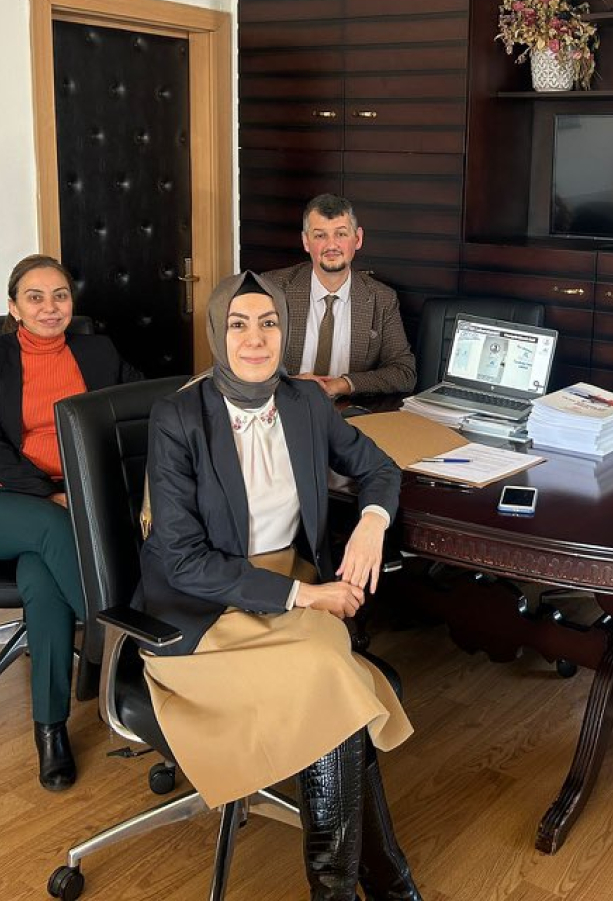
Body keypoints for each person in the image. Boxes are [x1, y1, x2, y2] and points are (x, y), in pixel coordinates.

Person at [138, 271, 421, 901]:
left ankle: (360, 887)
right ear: (218, 332)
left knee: (331, 685)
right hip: (205, 611)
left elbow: (378, 467)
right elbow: (182, 561)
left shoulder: (305, 402)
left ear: (284, 331)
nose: (256, 338)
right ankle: (385, 884)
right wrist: (308, 596)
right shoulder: (179, 416)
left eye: (268, 323)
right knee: (336, 680)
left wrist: (372, 524)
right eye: (239, 324)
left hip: (290, 593)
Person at [0, 254, 139, 791]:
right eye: (35, 297)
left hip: (70, 505)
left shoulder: (98, 351)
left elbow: (143, 406)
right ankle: (123, 656)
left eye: (60, 295)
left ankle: (50, 730)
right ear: (14, 307)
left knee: (41, 580)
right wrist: (53, 495)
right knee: (51, 529)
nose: (50, 307)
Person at [264, 193, 417, 397]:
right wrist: (290, 384)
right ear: (306, 241)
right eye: (320, 235)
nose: (331, 245)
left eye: (341, 234)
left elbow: (404, 373)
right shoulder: (272, 289)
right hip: (285, 404)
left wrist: (343, 384)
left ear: (358, 238)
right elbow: (239, 363)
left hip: (347, 409)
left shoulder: (382, 299)